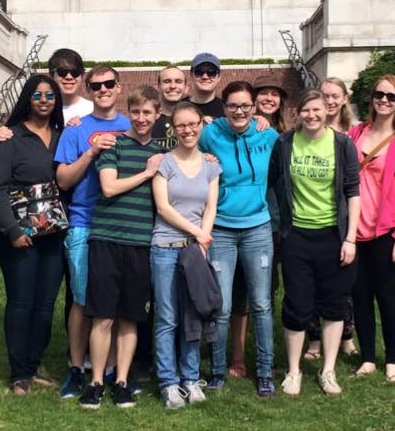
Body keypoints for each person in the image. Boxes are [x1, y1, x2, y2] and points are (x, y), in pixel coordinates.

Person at [79, 85, 165, 410]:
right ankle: (97, 381)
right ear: (130, 112)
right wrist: (147, 172)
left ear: (157, 115)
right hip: (106, 239)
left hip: (141, 243)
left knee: (130, 318)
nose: (142, 119)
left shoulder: (161, 154)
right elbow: (109, 187)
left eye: (148, 113)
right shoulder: (114, 144)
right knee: (102, 316)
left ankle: (122, 381)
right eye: (137, 112)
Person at [269, 88, 360, 396]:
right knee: (296, 303)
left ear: (327, 111)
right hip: (296, 235)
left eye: (317, 110)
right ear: (298, 113)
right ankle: (293, 371)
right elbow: (272, 184)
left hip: (333, 235)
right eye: (305, 110)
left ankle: (329, 370)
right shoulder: (284, 144)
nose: (311, 115)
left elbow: (352, 191)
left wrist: (350, 238)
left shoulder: (341, 144)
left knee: (334, 305)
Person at [198, 80, 279, 397]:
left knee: (261, 303)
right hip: (220, 228)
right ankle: (217, 371)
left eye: (246, 105)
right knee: (222, 305)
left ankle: (264, 371)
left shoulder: (267, 133)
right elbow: (189, 148)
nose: (239, 111)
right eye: (233, 105)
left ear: (254, 107)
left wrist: (267, 119)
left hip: (258, 226)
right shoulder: (211, 133)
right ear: (224, 106)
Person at [54, 65, 130, 398]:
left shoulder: (131, 125)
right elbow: (63, 180)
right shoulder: (75, 130)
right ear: (89, 89)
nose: (102, 89)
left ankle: (112, 370)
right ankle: (75, 367)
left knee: (113, 302)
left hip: (121, 224)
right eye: (95, 85)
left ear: (119, 86)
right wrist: (91, 151)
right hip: (84, 222)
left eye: (108, 84)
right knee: (83, 301)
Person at [0, 74, 65, 396]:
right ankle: (18, 374)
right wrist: (13, 231)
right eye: (37, 95)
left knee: (45, 304)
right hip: (18, 234)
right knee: (21, 302)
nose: (44, 100)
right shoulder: (10, 138)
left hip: (53, 233)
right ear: (27, 100)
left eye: (50, 95)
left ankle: (33, 366)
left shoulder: (63, 137)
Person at [348, 74, 395, 383]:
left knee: (387, 296)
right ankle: (367, 358)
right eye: (379, 94)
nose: (384, 100)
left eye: (391, 97)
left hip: (384, 230)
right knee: (360, 296)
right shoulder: (355, 133)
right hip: (354, 229)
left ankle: (391, 360)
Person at [150, 101, 221, 408]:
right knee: (167, 318)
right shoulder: (163, 163)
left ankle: (190, 379)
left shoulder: (210, 165)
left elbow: (211, 207)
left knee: (193, 315)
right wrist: (197, 234)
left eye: (193, 124)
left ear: (200, 126)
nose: (188, 130)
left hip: (195, 250)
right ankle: (168, 382)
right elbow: (163, 208)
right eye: (181, 125)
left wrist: (202, 242)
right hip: (165, 248)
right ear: (174, 129)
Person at [227, 73, 287, 379]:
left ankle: (265, 358)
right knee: (238, 296)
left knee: (264, 296)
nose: (269, 99)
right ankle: (237, 356)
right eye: (264, 94)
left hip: (270, 225)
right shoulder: (230, 127)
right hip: (234, 224)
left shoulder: (276, 135)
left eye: (274, 94)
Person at [304, 76, 359, 361]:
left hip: (345, 215)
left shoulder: (355, 133)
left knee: (341, 283)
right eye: (324, 95)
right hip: (310, 221)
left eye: (335, 95)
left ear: (344, 98)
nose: (329, 100)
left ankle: (346, 336)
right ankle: (314, 340)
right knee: (312, 284)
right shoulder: (307, 128)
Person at [152, 65, 189, 149]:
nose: (172, 86)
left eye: (178, 81)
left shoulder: (194, 121)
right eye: (167, 81)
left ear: (186, 88)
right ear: (158, 87)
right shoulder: (147, 120)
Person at [184, 52, 225, 121]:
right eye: (199, 72)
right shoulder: (179, 107)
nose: (205, 77)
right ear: (191, 75)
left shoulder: (228, 109)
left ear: (219, 77)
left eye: (211, 73)